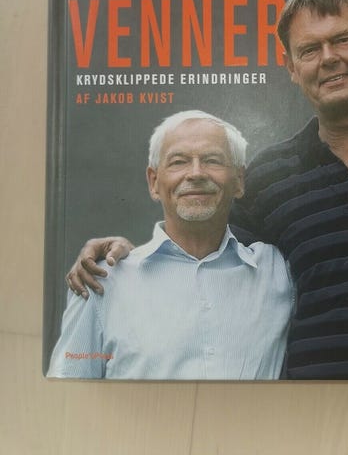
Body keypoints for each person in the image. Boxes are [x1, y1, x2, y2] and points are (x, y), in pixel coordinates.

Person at [66, 0, 348, 380]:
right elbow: (208, 257)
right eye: (309, 50)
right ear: (292, 67)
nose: (328, 59)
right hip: (312, 411)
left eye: (343, 40)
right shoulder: (269, 176)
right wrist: (127, 260)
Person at [48, 111, 294, 380]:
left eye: (212, 160)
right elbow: (65, 395)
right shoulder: (102, 283)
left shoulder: (277, 272)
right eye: (179, 162)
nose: (196, 173)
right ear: (154, 182)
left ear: (239, 181)